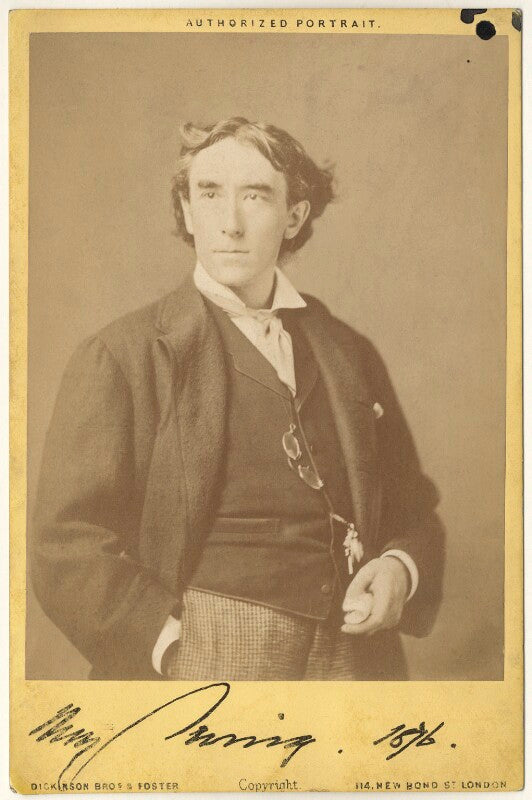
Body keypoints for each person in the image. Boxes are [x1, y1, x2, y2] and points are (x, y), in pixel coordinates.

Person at [32, 117, 444, 681]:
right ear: (186, 211)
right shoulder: (122, 355)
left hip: (353, 656)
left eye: (255, 196)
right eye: (209, 194)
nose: (230, 223)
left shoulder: (348, 352)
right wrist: (168, 645)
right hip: (204, 653)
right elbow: (66, 544)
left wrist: (400, 568)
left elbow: (413, 511)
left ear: (294, 215)